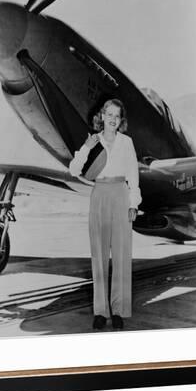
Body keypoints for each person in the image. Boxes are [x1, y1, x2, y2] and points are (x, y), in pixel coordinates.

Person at [69, 99, 141, 331]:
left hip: (120, 194)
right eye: (108, 114)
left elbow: (133, 175)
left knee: (121, 255)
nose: (112, 119)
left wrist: (133, 203)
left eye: (116, 116)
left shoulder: (127, 142)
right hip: (99, 193)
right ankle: (101, 311)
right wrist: (87, 147)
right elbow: (73, 170)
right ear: (102, 116)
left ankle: (119, 310)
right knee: (98, 256)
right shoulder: (94, 141)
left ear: (121, 120)